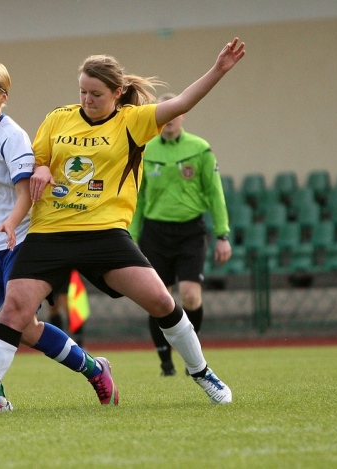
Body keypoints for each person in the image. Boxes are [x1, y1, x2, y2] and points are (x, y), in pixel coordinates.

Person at [0, 38, 246, 415]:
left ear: (117, 93)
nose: (86, 100)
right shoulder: (58, 118)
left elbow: (183, 102)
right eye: (82, 92)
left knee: (161, 301)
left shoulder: (133, 121)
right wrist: (42, 169)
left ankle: (202, 372)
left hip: (105, 233)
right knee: (14, 312)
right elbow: (37, 160)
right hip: (50, 232)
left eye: (95, 94)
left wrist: (218, 70)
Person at [0, 62, 116, 413]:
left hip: (21, 241)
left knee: (26, 328)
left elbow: (26, 191)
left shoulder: (12, 136)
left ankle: (93, 369)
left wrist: (12, 223)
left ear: (3, 97)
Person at [129, 92, 232, 377]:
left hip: (190, 232)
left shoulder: (199, 149)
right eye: (165, 114)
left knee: (190, 296)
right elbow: (137, 197)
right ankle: (165, 362)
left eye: (175, 113)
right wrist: (131, 234)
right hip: (155, 233)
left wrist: (222, 235)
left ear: (183, 115)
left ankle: (191, 356)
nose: (170, 119)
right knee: (158, 299)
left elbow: (215, 193)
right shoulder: (146, 149)